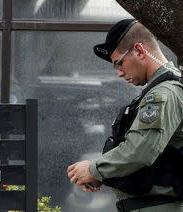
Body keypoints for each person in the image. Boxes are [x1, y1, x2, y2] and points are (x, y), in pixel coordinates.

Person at [67, 19, 183, 211]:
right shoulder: (161, 90)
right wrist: (103, 176)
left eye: (119, 63)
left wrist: (94, 169)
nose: (119, 73)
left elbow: (140, 151)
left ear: (139, 50)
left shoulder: (163, 93)